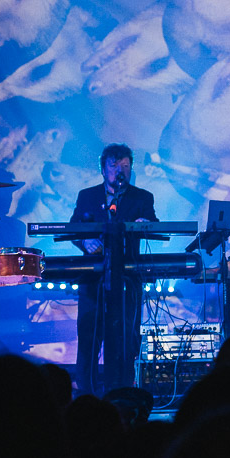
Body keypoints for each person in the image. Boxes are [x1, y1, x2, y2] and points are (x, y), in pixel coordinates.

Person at [69, 143, 157, 395]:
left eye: (126, 166)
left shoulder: (142, 197)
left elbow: (155, 222)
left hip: (127, 279)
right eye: (115, 165)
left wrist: (145, 223)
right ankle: (87, 397)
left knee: (127, 340)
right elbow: (74, 227)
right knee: (89, 339)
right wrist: (85, 242)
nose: (121, 170)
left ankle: (124, 397)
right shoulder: (88, 195)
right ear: (103, 168)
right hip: (93, 279)